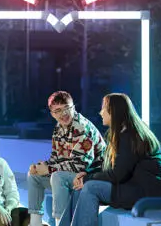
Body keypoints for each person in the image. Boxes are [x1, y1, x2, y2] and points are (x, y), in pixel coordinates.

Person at [61, 93, 161, 226]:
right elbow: (111, 168)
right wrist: (87, 175)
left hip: (144, 192)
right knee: (80, 189)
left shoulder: (130, 135)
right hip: (130, 186)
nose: (100, 113)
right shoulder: (121, 133)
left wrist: (88, 179)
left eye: (104, 108)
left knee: (90, 187)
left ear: (114, 111)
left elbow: (117, 174)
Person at [26, 91, 106, 226]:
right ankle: (35, 223)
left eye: (67, 108)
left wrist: (49, 169)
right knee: (33, 176)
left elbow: (80, 166)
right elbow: (56, 158)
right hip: (72, 176)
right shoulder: (58, 128)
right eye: (58, 111)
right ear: (52, 114)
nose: (63, 114)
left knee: (57, 177)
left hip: (91, 177)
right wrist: (40, 167)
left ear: (74, 107)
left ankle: (61, 223)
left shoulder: (81, 127)